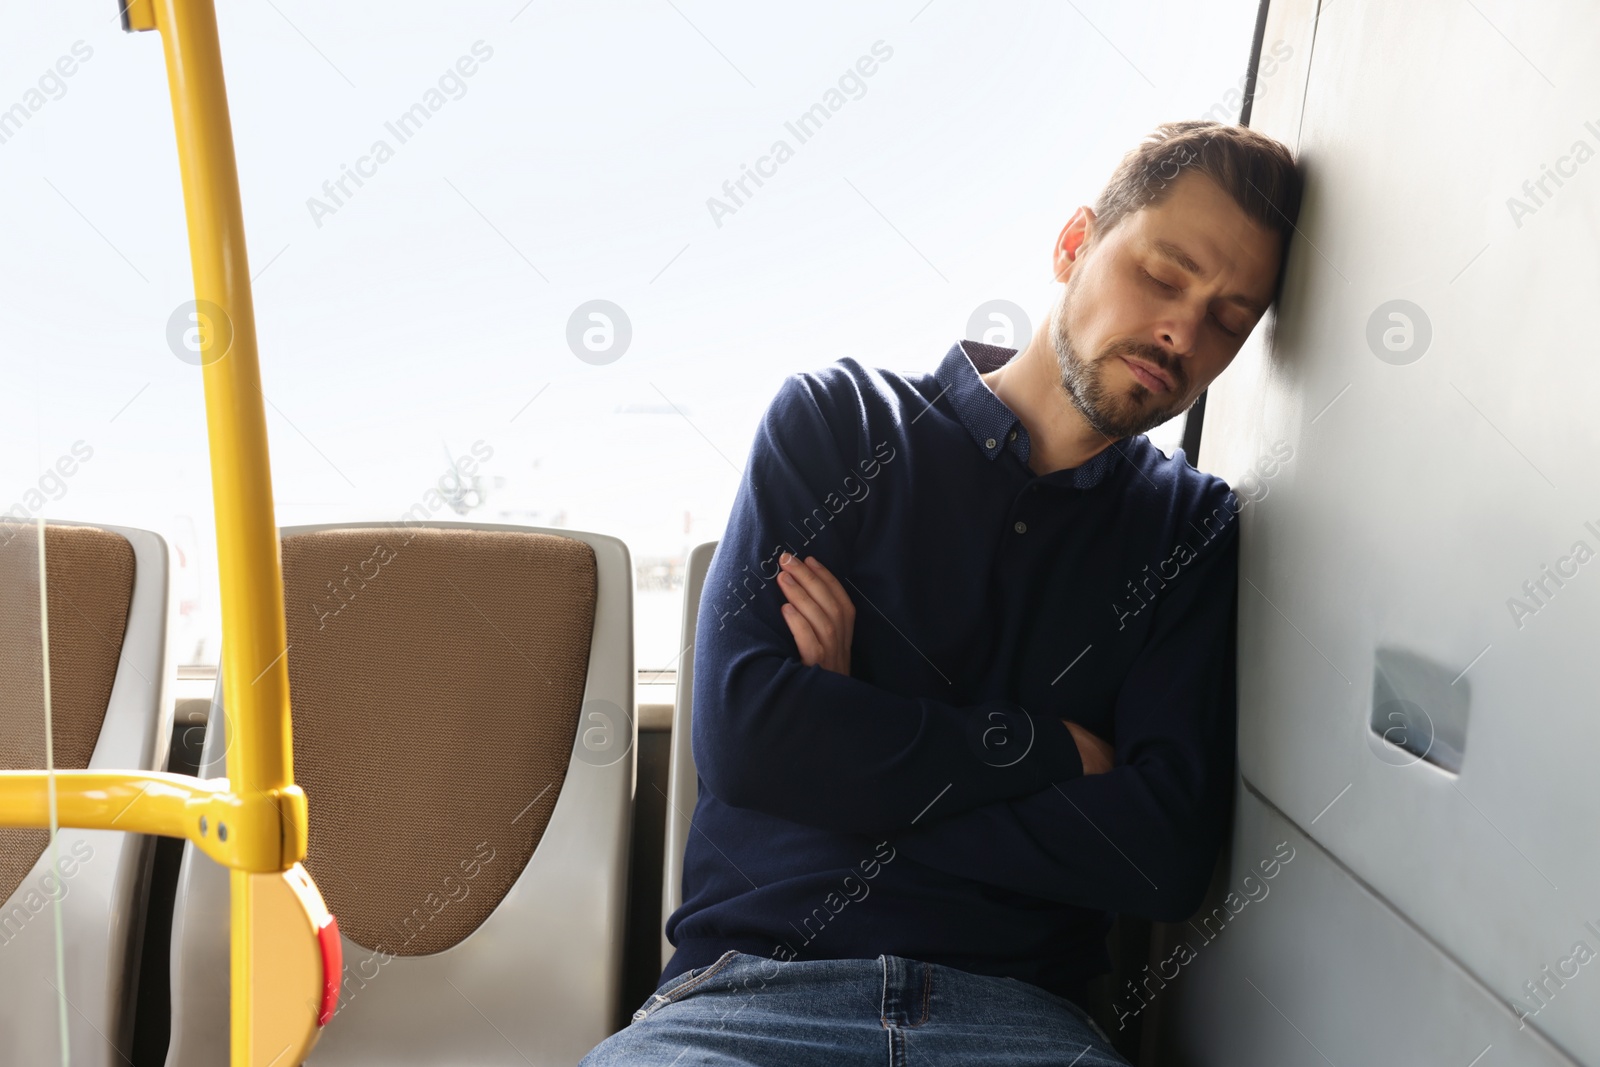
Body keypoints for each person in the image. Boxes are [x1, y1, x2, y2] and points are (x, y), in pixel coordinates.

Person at [583, 119, 1303, 1066]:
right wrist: (1052, 752)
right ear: (1074, 244)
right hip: (745, 1008)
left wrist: (852, 743)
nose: (1182, 331)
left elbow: (1159, 853)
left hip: (1022, 1025)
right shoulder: (836, 424)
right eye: (1165, 276)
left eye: (1229, 317)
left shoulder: (1188, 530)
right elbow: (749, 738)